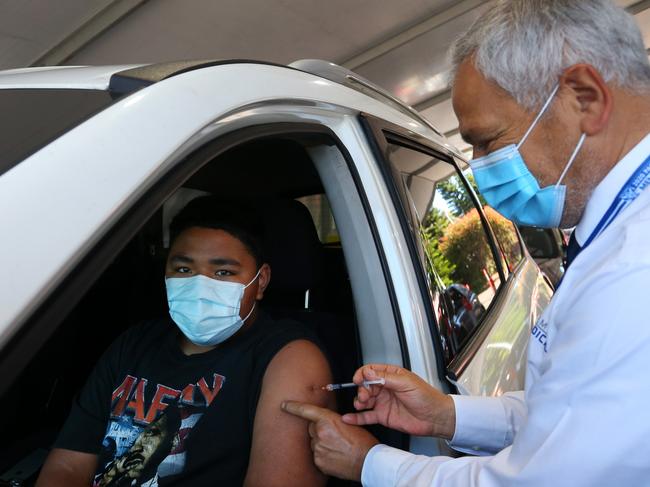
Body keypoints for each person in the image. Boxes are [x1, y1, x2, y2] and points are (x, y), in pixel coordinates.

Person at [282, 0, 650, 485]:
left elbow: (547, 476)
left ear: (585, 97)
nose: (477, 169)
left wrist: (371, 464)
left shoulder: (633, 272)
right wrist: (446, 416)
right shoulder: (618, 230)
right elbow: (566, 414)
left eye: (488, 141)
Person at [37, 196, 334, 486]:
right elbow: (67, 464)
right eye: (183, 269)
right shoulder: (134, 343)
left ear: (261, 281)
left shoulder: (287, 359)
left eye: (223, 272)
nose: (199, 284)